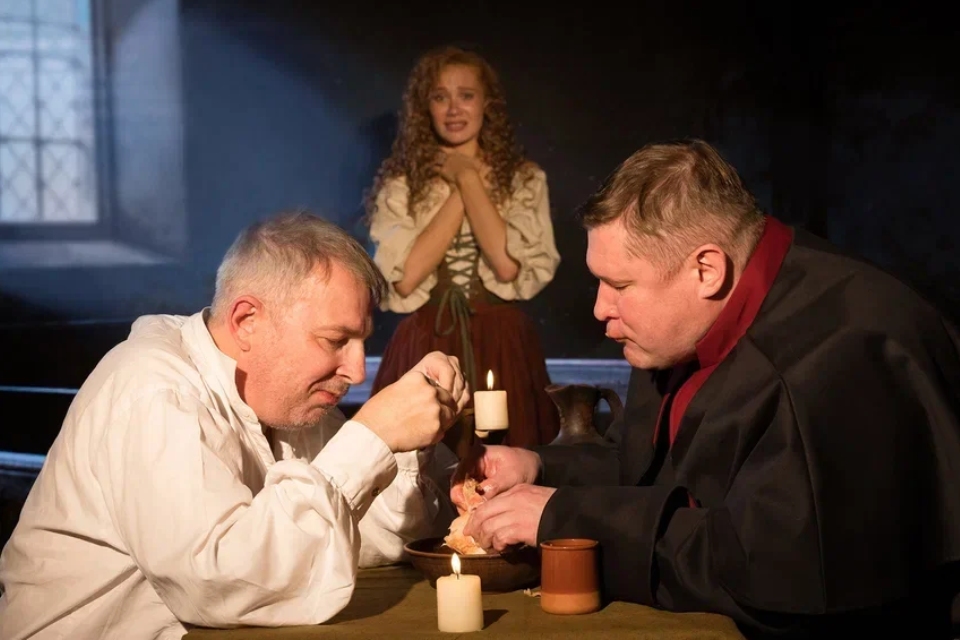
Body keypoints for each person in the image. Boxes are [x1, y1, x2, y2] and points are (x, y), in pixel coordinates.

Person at [451, 139, 960, 638]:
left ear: (706, 270)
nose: (600, 309)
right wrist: (539, 467)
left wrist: (564, 517)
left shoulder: (837, 362)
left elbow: (769, 575)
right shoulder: (687, 324)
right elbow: (666, 472)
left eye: (621, 286)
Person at [0, 211, 468, 640]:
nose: (357, 371)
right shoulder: (154, 391)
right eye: (335, 340)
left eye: (361, 340)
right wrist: (371, 437)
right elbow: (222, 584)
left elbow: (360, 539)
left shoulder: (291, 399)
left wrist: (415, 445)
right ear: (247, 321)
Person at [364, 44, 561, 456]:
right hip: (427, 339)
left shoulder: (523, 180)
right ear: (426, 108)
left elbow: (507, 267)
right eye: (440, 97)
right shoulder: (402, 186)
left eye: (466, 95)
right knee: (423, 467)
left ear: (487, 104)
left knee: (507, 460)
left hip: (502, 342)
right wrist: (461, 181)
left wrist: (469, 178)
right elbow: (407, 279)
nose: (454, 109)